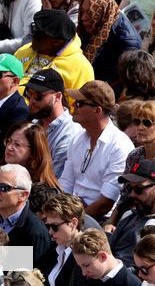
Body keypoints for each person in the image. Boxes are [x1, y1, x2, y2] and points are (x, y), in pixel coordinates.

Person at [59, 81, 134, 218]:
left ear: (97, 110)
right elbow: (66, 184)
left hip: (98, 220)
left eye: (79, 103)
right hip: (71, 213)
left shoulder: (120, 146)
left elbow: (105, 204)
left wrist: (72, 221)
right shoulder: (77, 139)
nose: (72, 106)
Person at [71, 229, 141, 286]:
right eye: (80, 267)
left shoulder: (132, 283)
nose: (84, 273)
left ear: (102, 256)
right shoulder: (86, 279)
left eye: (86, 265)